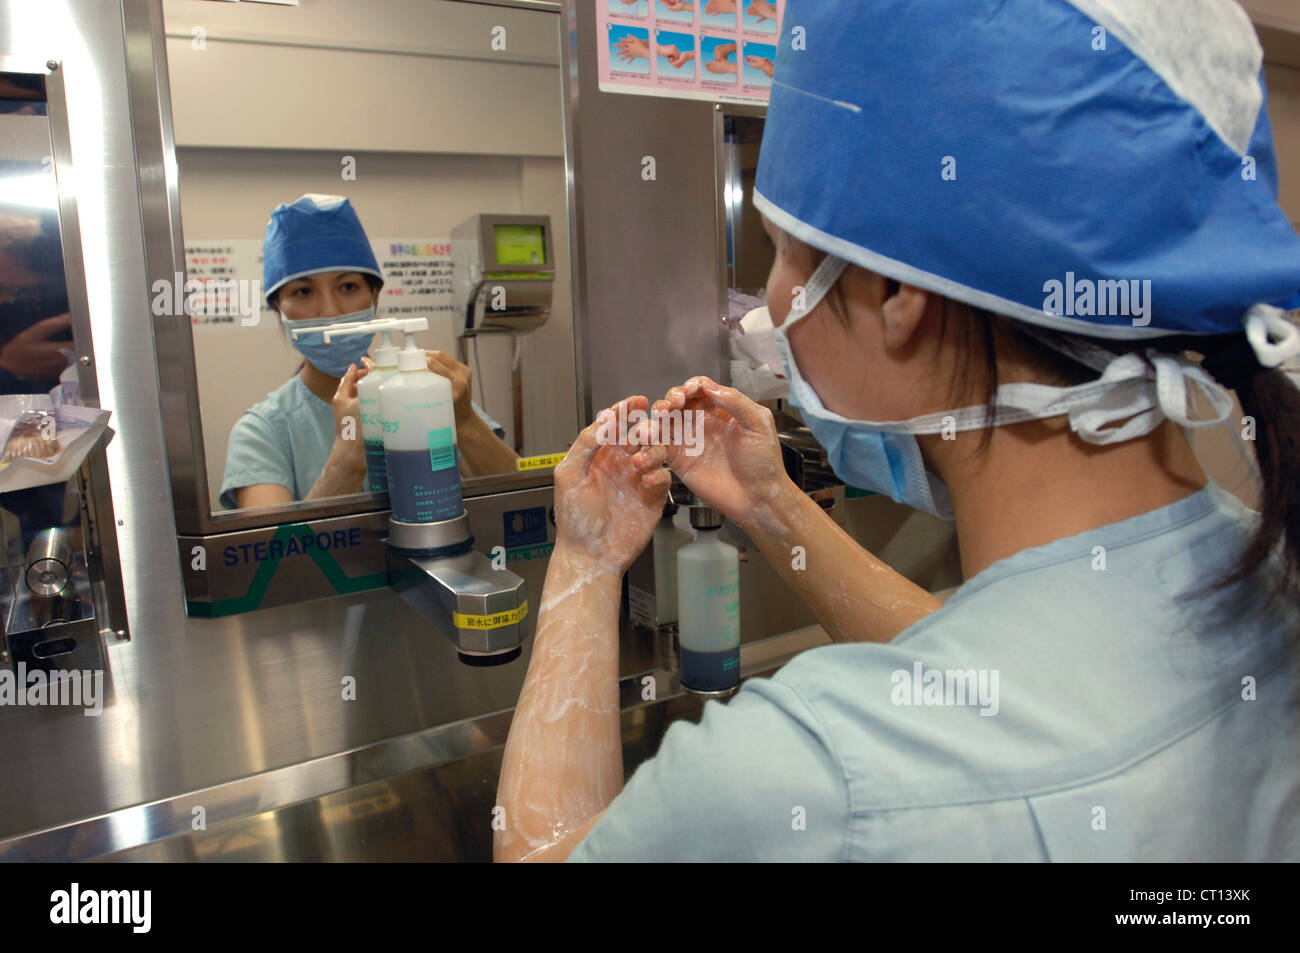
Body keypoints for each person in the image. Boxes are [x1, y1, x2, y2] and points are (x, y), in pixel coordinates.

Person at [494, 0, 1300, 861]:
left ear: (894, 296)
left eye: (784, 252)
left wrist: (584, 563)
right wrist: (771, 506)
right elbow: (993, 689)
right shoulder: (1260, 572)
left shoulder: (813, 779)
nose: (770, 303)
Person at [219, 194, 518, 510]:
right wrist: (348, 455)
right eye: (303, 291)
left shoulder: (428, 391)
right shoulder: (262, 432)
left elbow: (522, 506)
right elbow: (274, 556)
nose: (331, 310)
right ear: (279, 309)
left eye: (348, 287)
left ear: (375, 298)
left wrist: (465, 420)